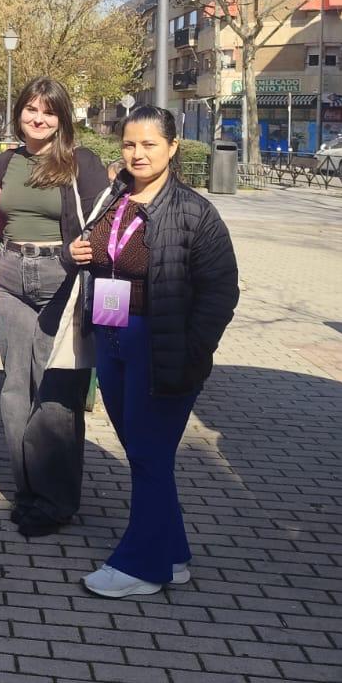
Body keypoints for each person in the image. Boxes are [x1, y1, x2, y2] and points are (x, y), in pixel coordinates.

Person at [67, 107, 238, 597]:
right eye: (128, 144)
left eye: (148, 145)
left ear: (172, 148)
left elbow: (221, 291)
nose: (137, 154)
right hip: (112, 337)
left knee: (148, 454)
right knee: (146, 453)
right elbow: (100, 252)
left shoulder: (193, 212)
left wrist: (191, 350)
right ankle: (172, 553)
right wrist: (78, 252)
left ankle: (142, 565)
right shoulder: (116, 195)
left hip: (160, 347)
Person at [0, 77, 109, 538]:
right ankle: (28, 489)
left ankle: (57, 500)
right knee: (15, 387)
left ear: (62, 118)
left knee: (56, 388)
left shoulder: (81, 163)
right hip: (11, 275)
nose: (37, 119)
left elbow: (103, 217)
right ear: (19, 112)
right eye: (30, 110)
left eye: (48, 112)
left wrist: (73, 251)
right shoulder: (6, 161)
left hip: (62, 279)